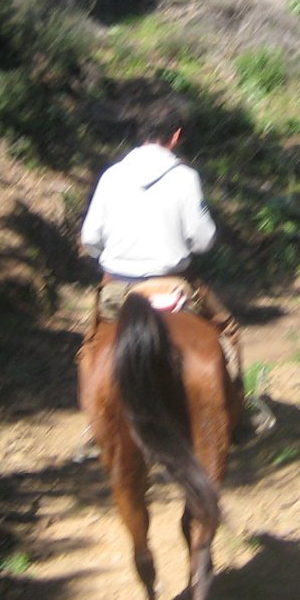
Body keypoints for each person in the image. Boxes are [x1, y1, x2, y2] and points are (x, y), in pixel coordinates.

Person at [79, 97, 244, 387]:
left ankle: (95, 423)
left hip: (116, 287)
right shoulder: (186, 178)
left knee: (89, 350)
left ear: (141, 133)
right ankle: (239, 413)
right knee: (229, 332)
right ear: (176, 136)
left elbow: (90, 238)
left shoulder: (111, 176)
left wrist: (115, 256)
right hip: (173, 283)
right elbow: (203, 240)